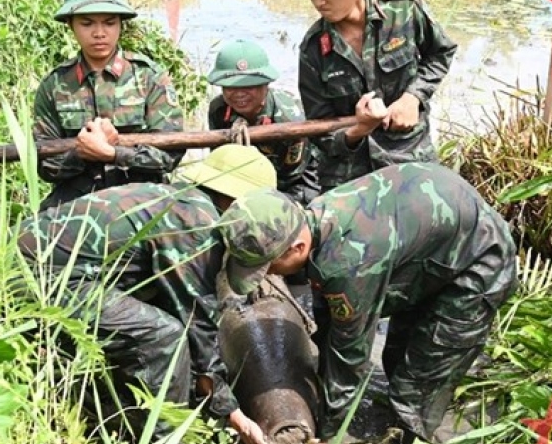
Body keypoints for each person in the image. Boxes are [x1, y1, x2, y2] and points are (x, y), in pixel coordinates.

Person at [217, 163, 518, 444]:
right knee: (397, 354)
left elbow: (350, 356)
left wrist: (329, 430)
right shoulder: (316, 216)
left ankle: (410, 434)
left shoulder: (348, 263)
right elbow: (331, 322)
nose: (268, 275)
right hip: (432, 240)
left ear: (297, 248)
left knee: (417, 383)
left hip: (477, 262)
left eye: (269, 267)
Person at [16, 144, 275, 444]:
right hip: (40, 279)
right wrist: (235, 416)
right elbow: (197, 327)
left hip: (42, 270)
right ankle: (166, 437)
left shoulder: (179, 198)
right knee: (166, 337)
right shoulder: (197, 224)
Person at [284, 0, 458, 193]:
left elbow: (441, 52)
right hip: (348, 176)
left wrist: (413, 97)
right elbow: (320, 131)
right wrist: (358, 130)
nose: (318, 2)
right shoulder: (313, 49)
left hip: (408, 154)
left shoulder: (404, 10)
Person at [33, 0, 185, 211]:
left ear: (121, 25)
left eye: (109, 22)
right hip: (76, 203)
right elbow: (45, 165)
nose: (99, 33)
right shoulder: (55, 85)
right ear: (70, 25)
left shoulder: (149, 77)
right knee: (26, 241)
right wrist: (81, 153)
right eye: (87, 23)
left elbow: (169, 156)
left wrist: (114, 153)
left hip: (143, 199)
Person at [206, 38, 320, 205]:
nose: (239, 94)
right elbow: (220, 160)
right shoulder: (218, 109)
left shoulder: (289, 119)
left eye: (248, 86)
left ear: (266, 85)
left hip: (292, 185)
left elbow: (288, 175)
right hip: (241, 180)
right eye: (230, 87)